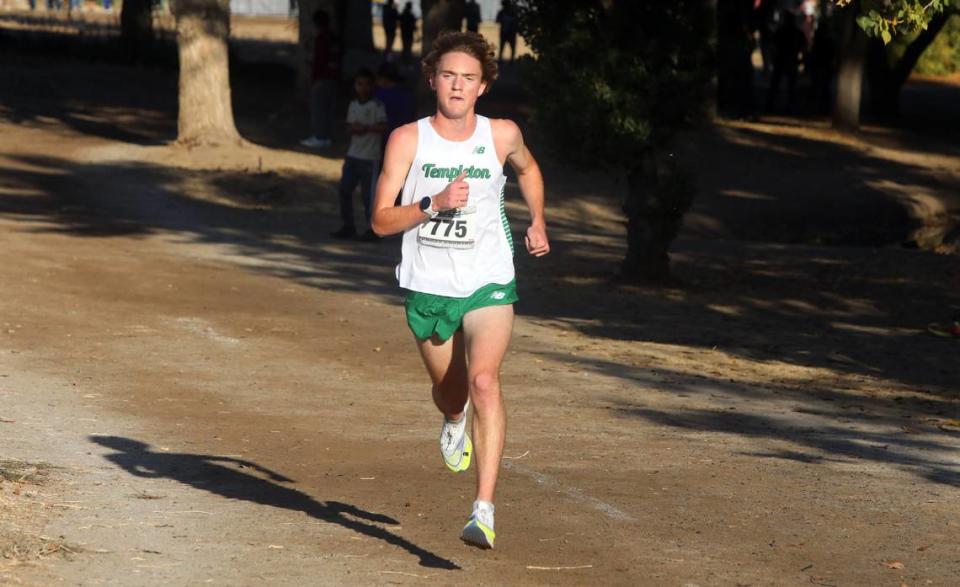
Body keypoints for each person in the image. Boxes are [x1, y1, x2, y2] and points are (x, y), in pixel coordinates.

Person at [370, 31, 549, 549]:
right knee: (453, 393)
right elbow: (381, 222)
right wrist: (432, 203)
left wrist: (538, 219)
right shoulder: (408, 139)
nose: (457, 85)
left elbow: (530, 169)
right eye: (448, 74)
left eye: (468, 77)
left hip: (488, 277)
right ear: (432, 79)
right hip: (428, 284)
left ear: (483, 86)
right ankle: (452, 418)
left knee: (485, 382)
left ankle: (483, 510)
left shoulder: (501, 135)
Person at [332, 69, 388, 241]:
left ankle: (373, 229)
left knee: (368, 196)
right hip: (353, 155)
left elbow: (383, 125)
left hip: (370, 158)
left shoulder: (377, 106)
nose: (363, 88)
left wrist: (365, 128)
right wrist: (354, 129)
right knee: (344, 190)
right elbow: (348, 128)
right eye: (359, 84)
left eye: (366, 84)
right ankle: (348, 225)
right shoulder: (353, 105)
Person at [301, 9, 340, 149]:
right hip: (333, 78)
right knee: (328, 109)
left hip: (322, 78)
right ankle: (326, 136)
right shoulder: (334, 37)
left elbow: (319, 60)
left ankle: (320, 137)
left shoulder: (321, 38)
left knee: (319, 109)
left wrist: (313, 76)